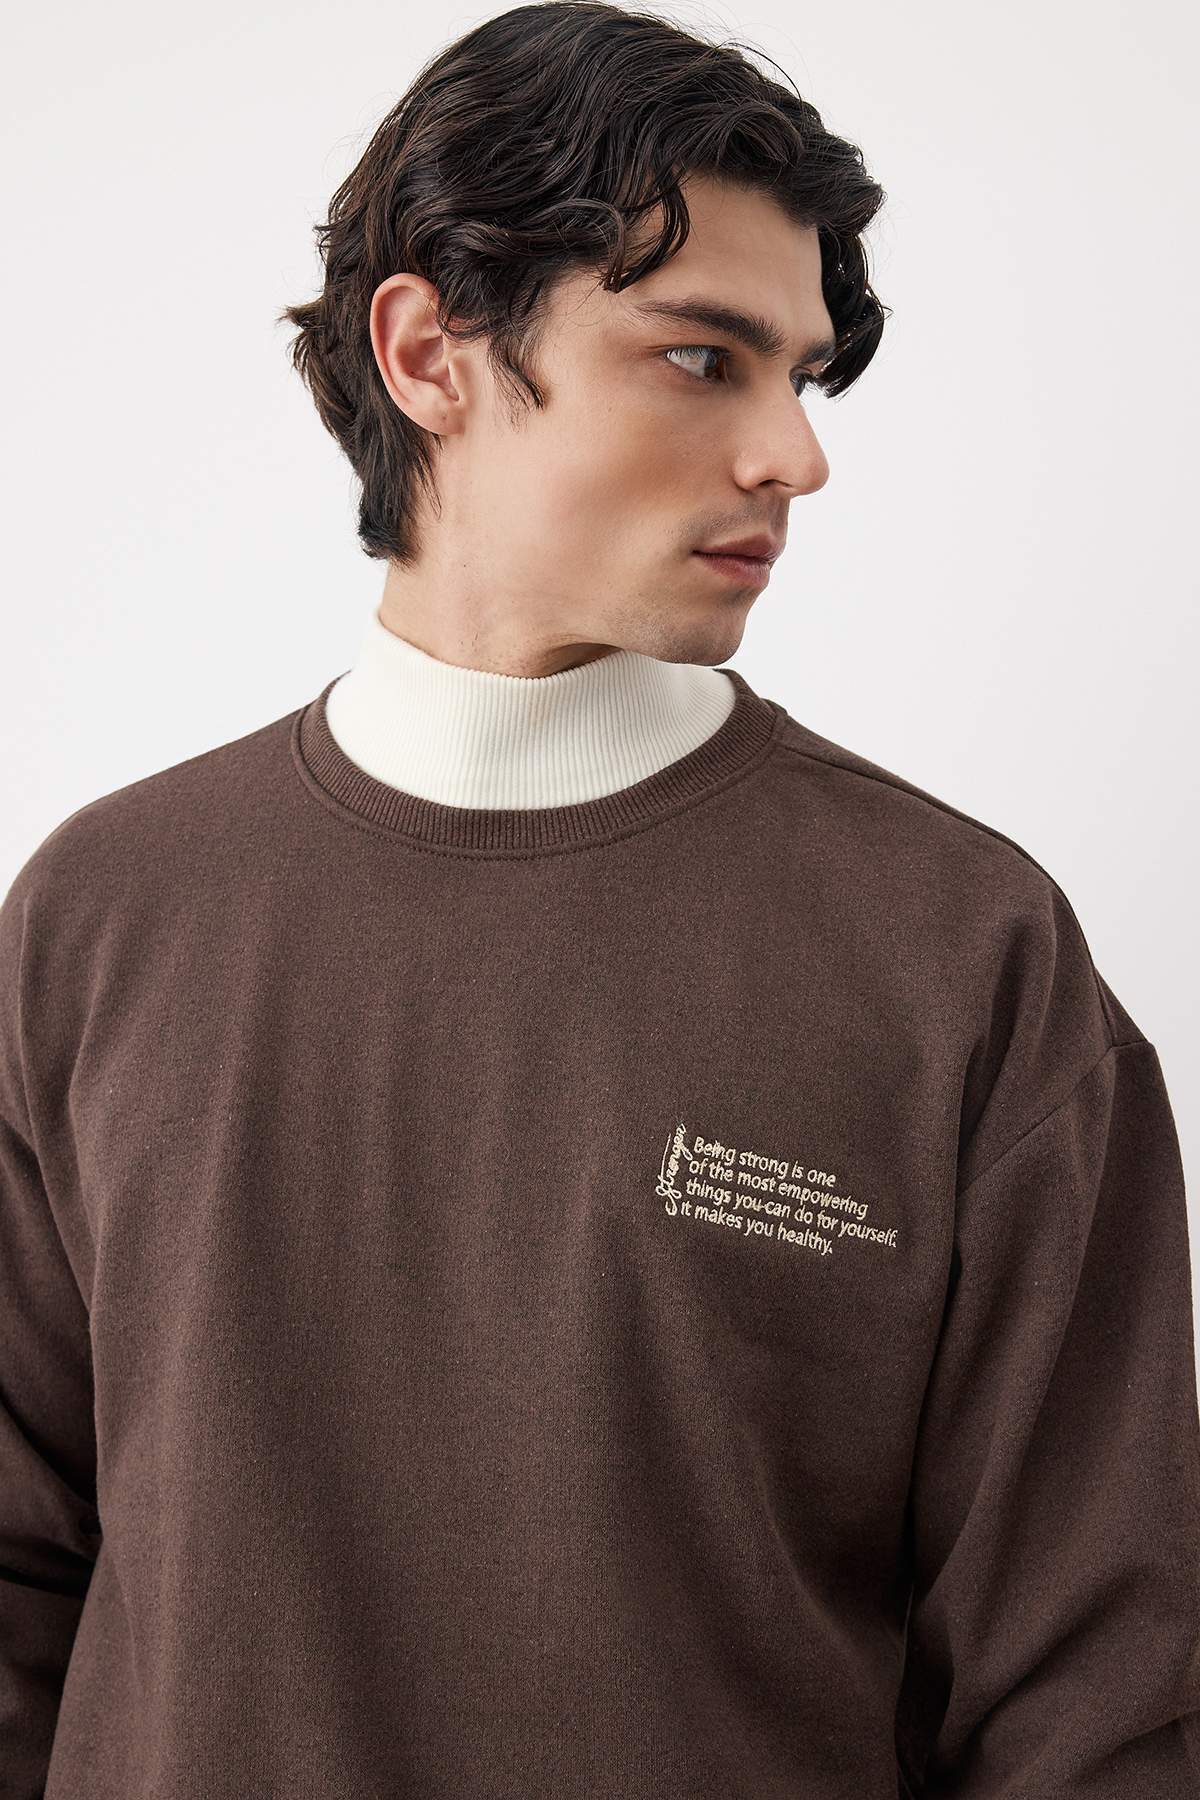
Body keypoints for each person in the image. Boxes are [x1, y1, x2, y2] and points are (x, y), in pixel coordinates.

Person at [2, 3, 1197, 1795]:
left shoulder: (963, 954)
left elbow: (1097, 1705)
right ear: (430, 352)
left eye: (802, 379)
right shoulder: (101, 921)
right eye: (704, 358)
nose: (795, 457)